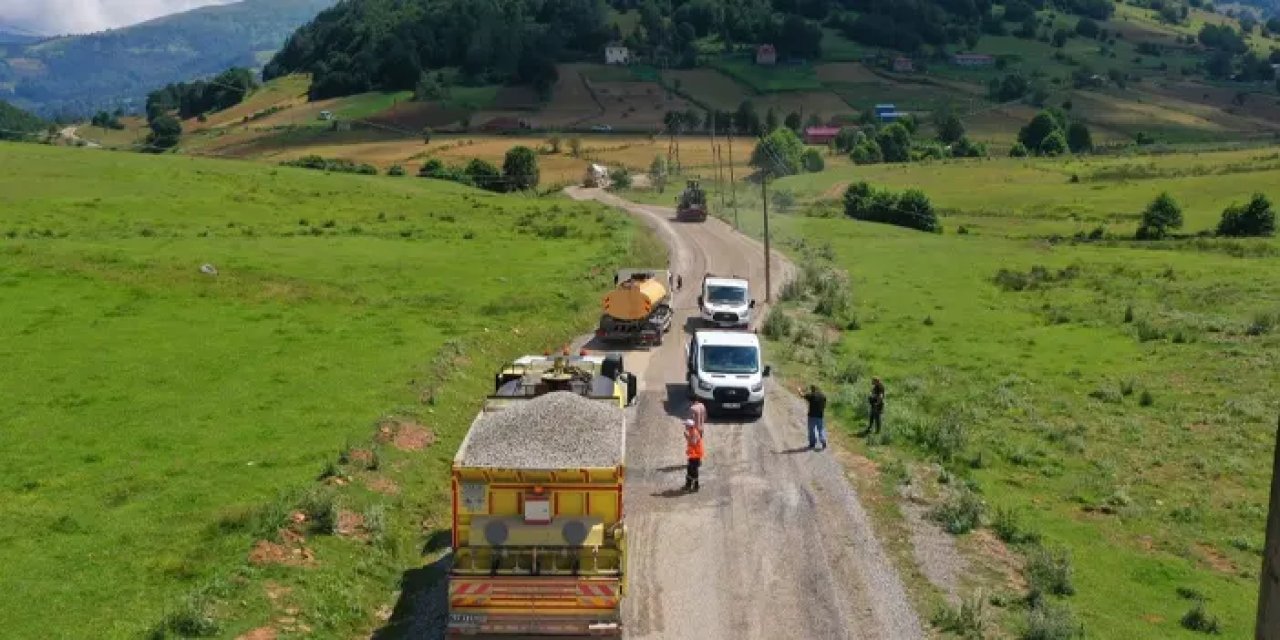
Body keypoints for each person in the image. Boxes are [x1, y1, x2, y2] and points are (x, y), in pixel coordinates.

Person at [799, 385, 827, 451]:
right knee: (821, 429)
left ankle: (812, 443)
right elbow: (824, 406)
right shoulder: (823, 396)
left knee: (812, 430)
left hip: (811, 416)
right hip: (820, 416)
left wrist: (799, 390)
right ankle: (823, 441)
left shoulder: (811, 395)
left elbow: (802, 395)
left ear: (812, 390)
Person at [683, 418, 704, 492]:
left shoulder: (694, 432)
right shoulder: (692, 431)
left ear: (689, 426)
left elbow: (693, 443)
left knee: (693, 470)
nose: (685, 427)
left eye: (686, 425)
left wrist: (687, 437)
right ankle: (689, 485)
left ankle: (695, 486)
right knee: (690, 469)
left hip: (696, 455)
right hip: (693, 455)